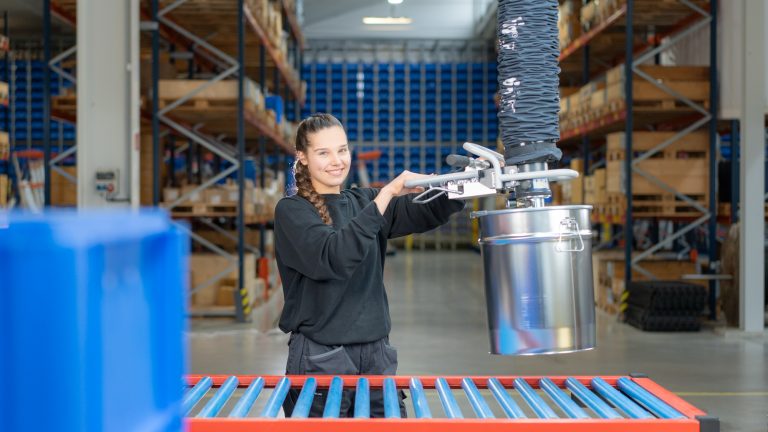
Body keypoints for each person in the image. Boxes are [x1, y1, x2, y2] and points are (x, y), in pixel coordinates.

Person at [274, 113, 464, 418]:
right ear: (303, 158)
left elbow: (423, 212)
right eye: (323, 152)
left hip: (377, 353)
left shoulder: (363, 200)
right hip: (321, 357)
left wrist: (460, 185)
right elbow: (334, 257)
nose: (337, 161)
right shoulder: (292, 211)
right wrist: (387, 193)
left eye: (342, 149)